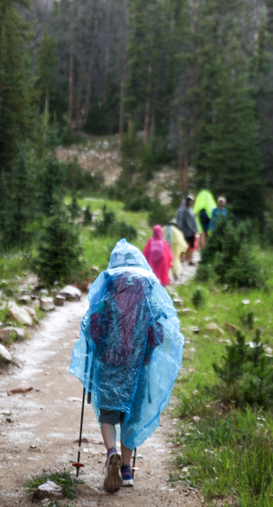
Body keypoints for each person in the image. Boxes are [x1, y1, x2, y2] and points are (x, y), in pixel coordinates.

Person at [69, 239, 184, 493]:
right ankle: (127, 470)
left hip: (109, 366)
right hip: (137, 369)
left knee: (108, 414)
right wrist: (147, 354)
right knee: (130, 418)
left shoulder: (108, 289)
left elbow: (93, 326)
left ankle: (111, 452)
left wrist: (94, 347)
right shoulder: (146, 291)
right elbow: (158, 329)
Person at [180, 195, 198, 265]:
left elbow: (193, 220)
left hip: (191, 231)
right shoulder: (185, 211)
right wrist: (193, 229)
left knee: (191, 246)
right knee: (185, 245)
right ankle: (182, 258)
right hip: (187, 231)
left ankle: (189, 260)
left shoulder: (190, 210)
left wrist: (195, 229)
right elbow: (187, 221)